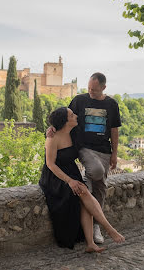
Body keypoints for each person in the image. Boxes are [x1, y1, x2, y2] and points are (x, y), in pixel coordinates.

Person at [47, 72, 121, 244]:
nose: (90, 92)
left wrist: (115, 153)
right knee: (96, 171)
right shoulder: (79, 100)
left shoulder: (112, 104)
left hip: (104, 150)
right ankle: (87, 182)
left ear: (104, 87)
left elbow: (114, 131)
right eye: (88, 88)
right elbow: (63, 116)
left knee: (100, 186)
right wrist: (52, 127)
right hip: (85, 148)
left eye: (94, 90)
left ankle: (96, 227)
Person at [39, 107, 125, 252]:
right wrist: (69, 181)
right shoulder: (52, 138)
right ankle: (109, 229)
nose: (76, 116)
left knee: (85, 199)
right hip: (55, 177)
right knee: (84, 193)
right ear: (65, 121)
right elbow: (50, 164)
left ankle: (91, 243)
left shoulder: (74, 132)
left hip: (71, 171)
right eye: (72, 115)